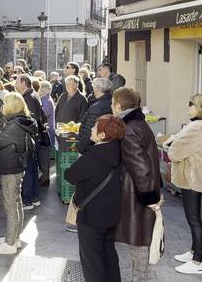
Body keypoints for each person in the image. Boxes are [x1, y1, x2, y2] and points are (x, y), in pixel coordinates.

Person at [164, 94, 202, 275]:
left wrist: (170, 144)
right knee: (194, 217)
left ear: (201, 108)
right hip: (197, 175)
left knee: (194, 219)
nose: (188, 106)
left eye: (192, 104)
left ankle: (197, 262)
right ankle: (193, 253)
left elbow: (175, 152)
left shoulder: (197, 128)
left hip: (191, 177)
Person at [64, 115, 125, 282]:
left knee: (92, 261)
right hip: (112, 212)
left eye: (95, 127)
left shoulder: (93, 156)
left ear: (102, 135)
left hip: (91, 216)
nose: (91, 129)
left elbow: (70, 176)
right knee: (109, 254)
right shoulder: (120, 151)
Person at [111, 87, 162, 282]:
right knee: (139, 241)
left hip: (137, 193)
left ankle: (139, 279)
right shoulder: (137, 123)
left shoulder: (129, 128)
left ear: (118, 105)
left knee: (139, 241)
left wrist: (150, 198)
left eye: (112, 104)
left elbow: (140, 167)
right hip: (142, 190)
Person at [0, 92, 37, 256]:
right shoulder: (21, 121)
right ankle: (14, 238)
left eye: (5, 103)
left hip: (10, 168)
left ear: (11, 106)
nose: (1, 106)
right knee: (16, 203)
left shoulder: (14, 124)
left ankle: (10, 243)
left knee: (10, 206)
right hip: (15, 166)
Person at [14, 75, 45, 207]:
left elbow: (30, 121)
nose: (15, 83)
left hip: (30, 138)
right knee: (32, 168)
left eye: (17, 81)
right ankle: (34, 198)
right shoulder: (33, 95)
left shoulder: (28, 97)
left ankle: (27, 201)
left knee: (28, 169)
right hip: (34, 138)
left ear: (23, 83)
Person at [77, 78, 114, 154]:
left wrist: (81, 148)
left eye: (93, 87)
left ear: (97, 89)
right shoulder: (111, 102)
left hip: (93, 148)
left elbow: (89, 131)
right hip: (106, 146)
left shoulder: (97, 107)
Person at [38, 81, 56, 150]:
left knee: (47, 152)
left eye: (41, 88)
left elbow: (44, 115)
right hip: (48, 130)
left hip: (48, 131)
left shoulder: (47, 100)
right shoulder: (44, 99)